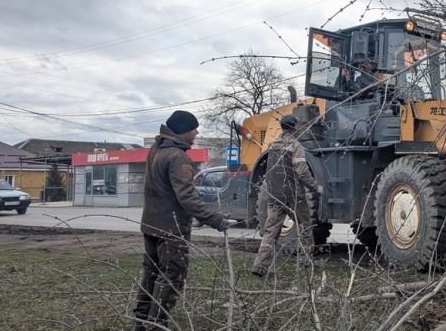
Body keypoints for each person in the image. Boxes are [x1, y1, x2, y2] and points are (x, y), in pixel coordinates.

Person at [133, 110, 229, 331]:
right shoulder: (178, 157)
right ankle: (158, 325)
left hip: (151, 224)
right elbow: (187, 196)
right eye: (194, 128)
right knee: (172, 277)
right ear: (183, 130)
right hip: (171, 228)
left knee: (151, 274)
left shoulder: (156, 150)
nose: (196, 132)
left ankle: (141, 322)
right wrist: (214, 219)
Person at [251, 115, 323, 277]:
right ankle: (305, 264)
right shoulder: (295, 146)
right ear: (294, 127)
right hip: (292, 194)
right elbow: (302, 171)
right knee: (305, 226)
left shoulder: (273, 145)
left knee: (270, 231)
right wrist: (315, 187)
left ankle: (260, 266)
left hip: (273, 194)